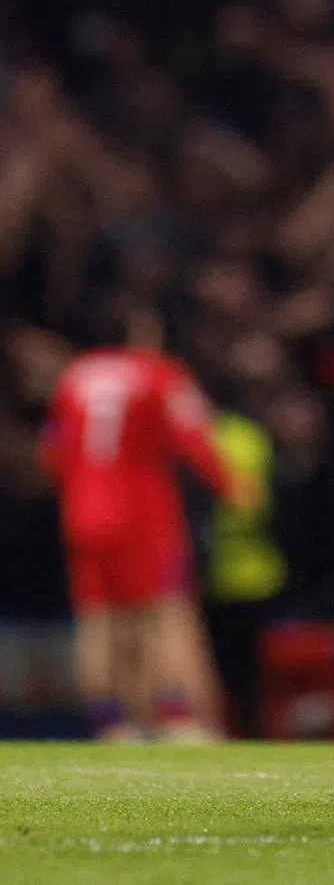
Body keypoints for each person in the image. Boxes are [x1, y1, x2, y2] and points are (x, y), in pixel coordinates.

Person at [39, 310, 243, 740]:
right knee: (165, 614)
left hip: (83, 510)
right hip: (142, 511)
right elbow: (193, 436)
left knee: (98, 619)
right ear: (140, 333)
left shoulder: (74, 378)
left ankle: (111, 723)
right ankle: (178, 718)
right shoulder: (158, 373)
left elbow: (51, 454)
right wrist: (232, 487)